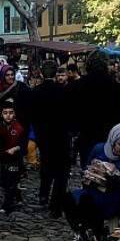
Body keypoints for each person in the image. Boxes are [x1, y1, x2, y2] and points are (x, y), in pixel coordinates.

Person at [63, 124, 120, 241]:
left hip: (115, 197)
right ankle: (83, 232)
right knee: (70, 199)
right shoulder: (99, 149)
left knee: (92, 204)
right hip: (94, 190)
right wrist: (93, 174)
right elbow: (86, 168)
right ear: (113, 141)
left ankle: (97, 233)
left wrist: (118, 176)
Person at [69, 51, 120, 169]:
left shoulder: (79, 84)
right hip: (107, 135)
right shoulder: (114, 85)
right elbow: (119, 114)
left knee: (87, 169)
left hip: (86, 133)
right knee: (106, 170)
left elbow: (72, 112)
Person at [32, 60, 70, 218]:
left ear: (42, 72)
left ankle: (43, 194)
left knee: (46, 166)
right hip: (60, 136)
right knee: (61, 172)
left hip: (43, 135)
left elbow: (33, 115)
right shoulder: (62, 91)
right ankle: (55, 205)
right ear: (55, 73)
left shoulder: (36, 91)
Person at [0, 99, 27, 214]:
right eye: (5, 113)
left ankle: (7, 205)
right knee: (5, 181)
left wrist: (16, 148)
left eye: (10, 112)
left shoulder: (19, 128)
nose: (8, 116)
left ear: (14, 114)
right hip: (3, 158)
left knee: (11, 182)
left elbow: (24, 144)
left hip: (15, 159)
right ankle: (17, 196)